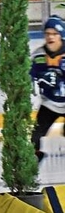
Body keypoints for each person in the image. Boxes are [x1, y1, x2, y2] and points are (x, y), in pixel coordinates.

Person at [30, 14, 65, 163]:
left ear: (61, 36)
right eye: (47, 33)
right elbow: (29, 76)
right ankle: (33, 162)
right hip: (49, 103)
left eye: (54, 34)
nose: (50, 37)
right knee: (34, 136)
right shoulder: (38, 55)